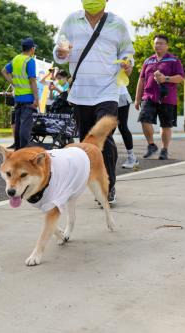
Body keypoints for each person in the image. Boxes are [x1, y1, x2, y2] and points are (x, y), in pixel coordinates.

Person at [54, 0, 134, 205]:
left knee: (103, 136)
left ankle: (108, 186)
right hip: (81, 91)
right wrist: (61, 53)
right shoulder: (72, 20)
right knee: (87, 141)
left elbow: (127, 51)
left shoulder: (117, 23)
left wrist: (128, 63)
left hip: (108, 90)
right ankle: (96, 180)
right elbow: (60, 52)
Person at [134, 34, 185, 160]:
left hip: (167, 98)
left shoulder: (174, 60)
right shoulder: (148, 61)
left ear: (167, 46)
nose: (158, 45)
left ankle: (164, 149)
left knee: (165, 125)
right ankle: (151, 145)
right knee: (144, 120)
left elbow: (180, 78)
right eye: (156, 43)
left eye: (161, 43)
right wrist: (137, 99)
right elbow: (141, 80)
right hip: (149, 97)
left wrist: (166, 78)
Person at [1, 37, 39, 150]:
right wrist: (36, 98)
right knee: (25, 127)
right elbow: (32, 81)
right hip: (28, 99)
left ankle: (17, 151)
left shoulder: (16, 59)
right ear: (32, 49)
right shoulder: (30, 61)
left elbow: (3, 71)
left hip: (18, 98)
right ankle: (24, 151)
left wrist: (12, 82)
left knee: (18, 126)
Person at [117, 86, 138, 168]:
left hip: (121, 95)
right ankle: (104, 158)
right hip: (103, 96)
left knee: (122, 127)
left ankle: (132, 157)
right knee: (108, 131)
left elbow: (128, 73)